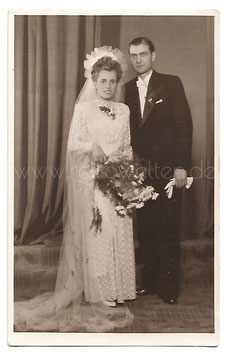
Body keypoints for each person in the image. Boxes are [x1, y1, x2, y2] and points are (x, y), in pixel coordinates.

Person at [14, 46, 136, 332]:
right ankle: (101, 291)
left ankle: (122, 288)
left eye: (112, 81)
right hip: (92, 180)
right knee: (102, 232)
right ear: (93, 82)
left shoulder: (124, 110)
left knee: (122, 228)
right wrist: (91, 146)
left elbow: (127, 146)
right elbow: (72, 145)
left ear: (118, 82)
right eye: (102, 81)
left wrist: (125, 170)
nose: (107, 86)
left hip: (118, 177)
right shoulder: (83, 110)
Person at [124, 37, 193, 304]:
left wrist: (181, 167)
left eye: (143, 54)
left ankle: (169, 287)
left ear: (154, 55)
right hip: (140, 172)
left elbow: (184, 126)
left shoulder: (171, 83)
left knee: (169, 227)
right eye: (133, 55)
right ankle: (151, 281)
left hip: (168, 169)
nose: (138, 59)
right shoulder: (127, 89)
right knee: (147, 228)